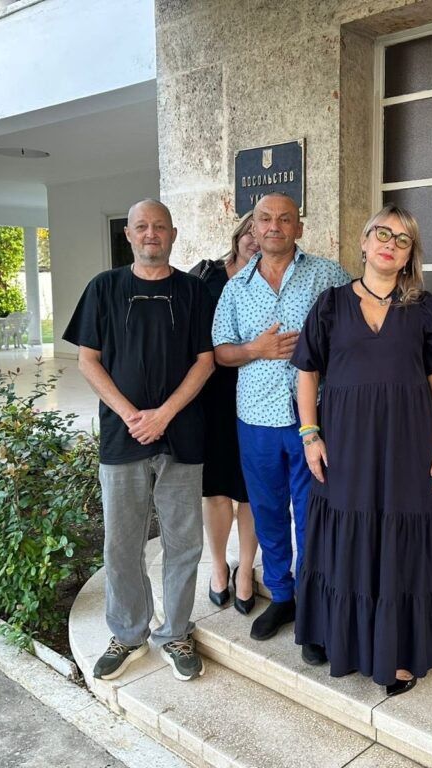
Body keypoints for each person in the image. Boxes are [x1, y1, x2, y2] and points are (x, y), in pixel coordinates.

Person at [292, 204, 432, 695]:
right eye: (382, 234)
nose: (390, 244)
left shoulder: (423, 308)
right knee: (345, 533)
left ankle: (399, 650)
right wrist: (310, 434)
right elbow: (307, 372)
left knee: (401, 537)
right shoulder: (330, 304)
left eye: (402, 240)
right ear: (364, 242)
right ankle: (336, 635)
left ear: (409, 256)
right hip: (345, 445)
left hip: (409, 445)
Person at [63, 199, 214, 681]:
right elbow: (88, 359)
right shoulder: (103, 288)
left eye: (160, 226)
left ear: (173, 234)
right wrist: (132, 416)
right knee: (122, 544)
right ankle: (128, 634)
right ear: (128, 235)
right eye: (142, 227)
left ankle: (175, 632)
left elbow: (205, 361)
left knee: (184, 543)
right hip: (122, 436)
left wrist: (164, 415)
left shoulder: (194, 290)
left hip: (182, 436)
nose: (151, 234)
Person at [212, 192, 352, 644]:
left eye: (285, 219)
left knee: (313, 514)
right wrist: (256, 349)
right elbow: (221, 352)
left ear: (299, 228)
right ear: (253, 228)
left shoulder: (328, 275)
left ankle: (313, 605)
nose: (274, 226)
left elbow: (354, 332)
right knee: (268, 512)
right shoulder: (236, 288)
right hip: (255, 419)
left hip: (314, 420)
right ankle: (282, 595)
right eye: (265, 219)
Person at [189, 215, 259, 615]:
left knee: (251, 490)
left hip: (257, 396)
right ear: (238, 234)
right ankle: (219, 566)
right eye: (250, 230)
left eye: (262, 233)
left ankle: (245, 569)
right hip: (210, 396)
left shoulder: (269, 281)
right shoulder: (206, 277)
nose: (255, 239)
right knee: (215, 489)